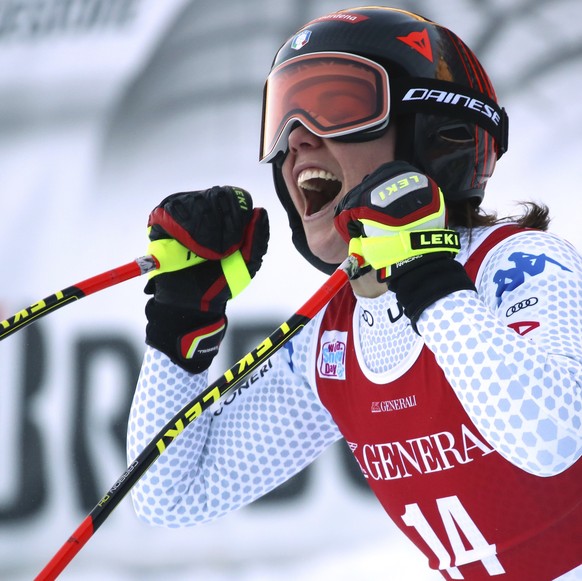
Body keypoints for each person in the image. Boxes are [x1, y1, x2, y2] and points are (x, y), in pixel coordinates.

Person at [127, 7, 581, 580]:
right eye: (282, 120)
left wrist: (426, 275)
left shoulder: (516, 263)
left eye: (336, 107)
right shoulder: (334, 336)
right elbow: (170, 495)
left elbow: (550, 439)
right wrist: (178, 320)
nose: (298, 142)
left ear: (436, 137)